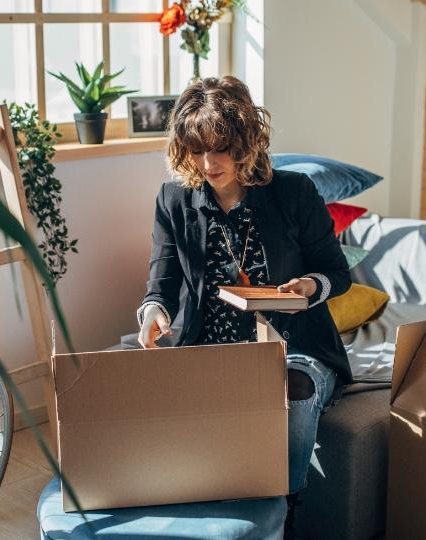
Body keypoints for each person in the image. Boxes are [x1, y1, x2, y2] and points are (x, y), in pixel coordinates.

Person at [136, 76, 353, 536]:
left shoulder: (294, 193)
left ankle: (283, 511)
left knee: (294, 391)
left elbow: (339, 274)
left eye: (220, 149)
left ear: (246, 142)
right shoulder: (174, 200)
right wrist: (154, 312)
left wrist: (311, 286)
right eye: (196, 150)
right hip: (209, 347)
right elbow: (161, 281)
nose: (209, 163)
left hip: (294, 347)